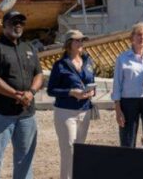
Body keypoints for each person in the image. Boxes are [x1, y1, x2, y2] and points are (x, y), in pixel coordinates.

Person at [0, 10, 43, 179]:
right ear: (4, 25)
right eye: (14, 22)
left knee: (25, 158)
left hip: (26, 114)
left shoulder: (29, 48)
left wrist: (31, 92)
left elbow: (39, 74)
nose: (18, 25)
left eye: (21, 22)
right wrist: (16, 94)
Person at [46, 30, 96, 179]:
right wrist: (70, 92)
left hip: (85, 110)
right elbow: (51, 90)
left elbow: (91, 81)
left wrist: (92, 92)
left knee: (80, 150)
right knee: (68, 149)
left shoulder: (88, 61)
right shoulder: (59, 65)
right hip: (65, 112)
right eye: (77, 40)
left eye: (82, 40)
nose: (81, 43)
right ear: (69, 44)